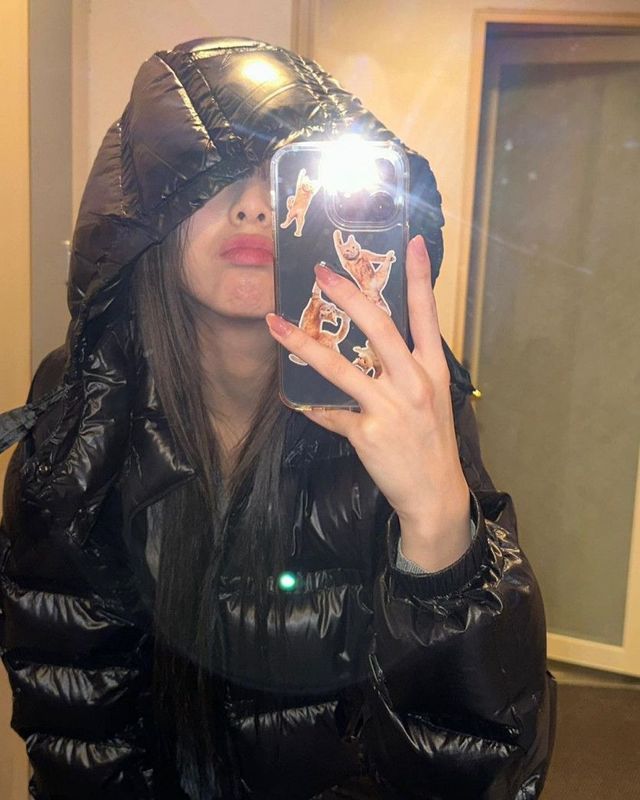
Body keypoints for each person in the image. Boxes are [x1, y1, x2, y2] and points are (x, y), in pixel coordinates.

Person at [0, 38, 555, 800]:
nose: (256, 204)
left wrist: (439, 529)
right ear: (146, 212)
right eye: (213, 175)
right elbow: (75, 719)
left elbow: (477, 767)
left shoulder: (401, 399)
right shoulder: (85, 402)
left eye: (287, 175)